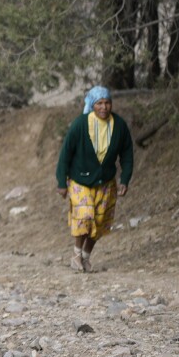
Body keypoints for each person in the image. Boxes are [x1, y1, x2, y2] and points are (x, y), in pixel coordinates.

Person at [55, 86, 135, 273]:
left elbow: (127, 155)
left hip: (106, 182)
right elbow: (65, 153)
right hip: (80, 181)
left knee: (99, 222)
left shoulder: (120, 126)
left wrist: (125, 179)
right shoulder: (80, 124)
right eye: (99, 103)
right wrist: (61, 181)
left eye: (107, 103)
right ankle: (76, 254)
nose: (104, 107)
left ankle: (85, 256)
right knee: (84, 216)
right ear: (92, 105)